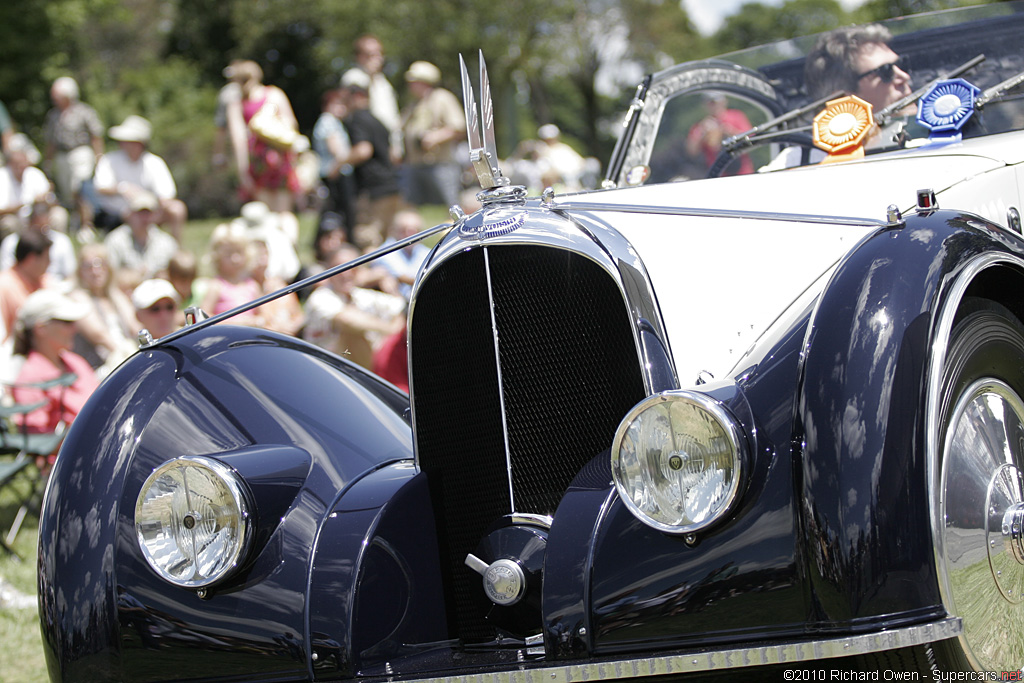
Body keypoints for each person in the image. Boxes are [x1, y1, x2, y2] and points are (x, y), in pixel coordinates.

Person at [11, 288, 99, 441]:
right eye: (67, 322)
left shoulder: (75, 361)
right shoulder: (29, 378)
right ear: (41, 328)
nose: (74, 329)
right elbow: (36, 441)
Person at [303, 243, 405, 369]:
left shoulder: (360, 295)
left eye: (353, 268)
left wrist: (391, 287)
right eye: (339, 268)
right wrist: (389, 330)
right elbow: (347, 321)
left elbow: (401, 308)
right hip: (325, 368)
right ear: (328, 270)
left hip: (360, 367)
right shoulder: (320, 297)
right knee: (353, 336)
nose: (346, 274)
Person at [225, 60, 305, 213]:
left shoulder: (237, 104)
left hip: (258, 162)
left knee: (268, 212)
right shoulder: (275, 94)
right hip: (282, 158)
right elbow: (291, 126)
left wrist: (243, 172)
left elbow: (239, 141)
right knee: (285, 212)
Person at [92, 115, 188, 241]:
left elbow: (166, 195)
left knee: (177, 209)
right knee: (133, 216)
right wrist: (122, 189)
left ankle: (175, 252)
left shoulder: (154, 162)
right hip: (118, 213)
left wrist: (150, 205)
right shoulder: (109, 160)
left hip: (150, 211)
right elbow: (101, 187)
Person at [343, 71, 401, 248]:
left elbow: (363, 151)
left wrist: (339, 162)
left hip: (373, 190)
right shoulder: (379, 121)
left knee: (367, 239)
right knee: (388, 240)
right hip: (391, 186)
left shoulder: (357, 119)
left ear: (357, 96)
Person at [42, 76, 104, 231]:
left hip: (80, 152)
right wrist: (47, 163)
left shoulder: (84, 111)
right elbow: (51, 141)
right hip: (61, 156)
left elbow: (95, 135)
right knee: (68, 193)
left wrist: (99, 157)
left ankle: (87, 225)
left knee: (80, 187)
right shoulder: (53, 115)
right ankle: (76, 222)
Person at [401, 61, 466, 208]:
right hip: (415, 164)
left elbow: (459, 127)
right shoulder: (413, 104)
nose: (410, 85)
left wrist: (435, 137)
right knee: (411, 206)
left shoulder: (442, 98)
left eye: (414, 81)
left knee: (452, 206)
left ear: (425, 82)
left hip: (441, 163)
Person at [68, 243, 139, 376]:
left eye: (100, 264)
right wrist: (129, 359)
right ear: (80, 272)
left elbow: (134, 327)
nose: (95, 271)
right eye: (88, 266)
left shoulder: (115, 295)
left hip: (125, 358)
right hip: (99, 368)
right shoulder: (78, 297)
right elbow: (99, 335)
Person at [342, 35, 403, 162]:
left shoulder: (384, 83)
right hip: (366, 142)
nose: (378, 59)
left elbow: (391, 117)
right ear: (359, 57)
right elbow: (355, 108)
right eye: (370, 54)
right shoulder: (353, 77)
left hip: (385, 145)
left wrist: (396, 145)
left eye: (379, 54)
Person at [0, 133, 67, 238]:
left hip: (38, 218)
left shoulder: (34, 174)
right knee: (8, 223)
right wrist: (26, 203)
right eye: (18, 165)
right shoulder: (2, 176)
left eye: (23, 165)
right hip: (16, 219)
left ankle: (55, 248)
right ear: (10, 164)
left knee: (59, 214)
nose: (21, 168)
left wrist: (45, 200)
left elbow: (53, 202)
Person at [103, 191, 179, 279]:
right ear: (129, 214)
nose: (144, 218)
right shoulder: (115, 241)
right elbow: (109, 275)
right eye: (140, 213)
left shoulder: (167, 243)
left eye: (148, 213)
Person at [313, 89, 356, 243]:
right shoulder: (328, 121)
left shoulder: (331, 121)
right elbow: (336, 150)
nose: (342, 108)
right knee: (337, 212)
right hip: (336, 173)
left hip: (334, 172)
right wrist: (340, 164)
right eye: (337, 104)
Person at [199, 222, 262, 325]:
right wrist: (235, 323)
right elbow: (202, 318)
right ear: (217, 257)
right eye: (228, 254)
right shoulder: (216, 286)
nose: (235, 259)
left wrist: (257, 321)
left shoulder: (252, 286)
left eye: (239, 252)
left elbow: (262, 315)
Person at [0, 199, 76, 283]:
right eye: (36, 228)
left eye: (44, 229)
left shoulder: (62, 241)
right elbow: (7, 271)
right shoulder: (11, 242)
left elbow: (71, 274)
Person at [0, 230, 51, 340]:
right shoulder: (4, 286)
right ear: (31, 259)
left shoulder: (46, 280)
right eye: (47, 258)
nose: (50, 263)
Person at [686, 94, 753, 176]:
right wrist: (702, 133)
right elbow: (692, 152)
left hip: (742, 173)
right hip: (717, 175)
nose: (714, 106)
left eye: (716, 103)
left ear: (724, 102)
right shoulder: (701, 125)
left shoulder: (736, 117)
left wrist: (729, 131)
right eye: (710, 103)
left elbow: (751, 139)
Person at [377, 209, 430, 301]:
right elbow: (401, 276)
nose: (410, 235)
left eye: (415, 231)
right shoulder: (385, 251)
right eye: (404, 230)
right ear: (395, 231)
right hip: (396, 301)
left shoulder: (425, 252)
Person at [536, 124, 588, 190]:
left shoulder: (564, 148)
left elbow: (581, 162)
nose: (550, 140)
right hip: (559, 183)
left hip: (575, 177)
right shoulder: (541, 151)